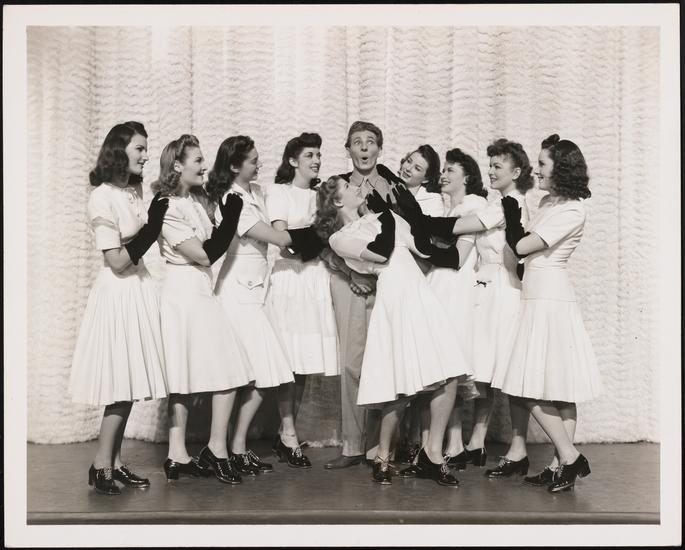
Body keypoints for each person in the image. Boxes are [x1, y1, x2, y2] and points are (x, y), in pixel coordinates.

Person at [316, 176, 472, 486]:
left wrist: (408, 214)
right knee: (402, 384)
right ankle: (383, 455)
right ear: (337, 201)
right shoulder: (340, 237)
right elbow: (380, 252)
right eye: (348, 187)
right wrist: (387, 215)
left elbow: (424, 250)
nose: (357, 187)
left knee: (449, 372)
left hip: (421, 295)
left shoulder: (385, 217)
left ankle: (432, 453)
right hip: (394, 300)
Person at [393, 138, 535, 476]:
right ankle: (468, 444)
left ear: (516, 172)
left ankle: (500, 446)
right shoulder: (496, 203)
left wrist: (415, 217)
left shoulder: (505, 205)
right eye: (491, 165)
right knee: (481, 366)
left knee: (503, 368)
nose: (491, 171)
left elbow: (457, 230)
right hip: (484, 286)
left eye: (497, 166)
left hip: (503, 288)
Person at [492, 134, 603, 492]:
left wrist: (512, 216)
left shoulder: (573, 209)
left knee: (542, 385)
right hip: (535, 296)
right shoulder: (548, 202)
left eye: (542, 164)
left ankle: (568, 458)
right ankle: (561, 465)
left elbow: (523, 246)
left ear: (561, 168)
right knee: (542, 384)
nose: (536, 170)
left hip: (550, 301)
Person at [208, 135, 323, 472]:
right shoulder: (232, 199)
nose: (259, 164)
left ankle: (236, 447)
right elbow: (280, 238)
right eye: (252, 160)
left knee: (263, 373)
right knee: (258, 371)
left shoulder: (257, 192)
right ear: (234, 166)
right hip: (236, 292)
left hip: (257, 291)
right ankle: (224, 448)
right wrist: (327, 229)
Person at [69, 121, 168, 495]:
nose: (146, 155)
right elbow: (117, 261)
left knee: (128, 384)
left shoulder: (132, 191)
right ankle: (100, 465)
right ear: (119, 151)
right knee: (119, 385)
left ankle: (115, 462)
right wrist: (152, 228)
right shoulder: (101, 196)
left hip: (137, 290)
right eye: (139, 149)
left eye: (146, 149)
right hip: (118, 292)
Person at [154, 134, 254, 485]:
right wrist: (232, 219)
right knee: (202, 371)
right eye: (197, 160)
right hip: (183, 292)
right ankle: (202, 451)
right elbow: (204, 254)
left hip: (198, 289)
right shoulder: (167, 206)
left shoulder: (194, 202)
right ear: (177, 165)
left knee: (213, 370)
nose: (204, 166)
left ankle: (185, 454)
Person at [322, 121, 395, 470]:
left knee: (385, 360)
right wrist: (351, 273)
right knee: (352, 363)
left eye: (370, 142)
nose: (364, 148)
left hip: (386, 281)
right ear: (348, 149)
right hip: (346, 281)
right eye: (357, 142)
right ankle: (352, 445)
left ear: (379, 147)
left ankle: (382, 446)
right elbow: (321, 237)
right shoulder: (336, 188)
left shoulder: (393, 186)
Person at [265, 132, 339, 458]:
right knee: (287, 359)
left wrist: (314, 239)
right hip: (290, 281)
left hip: (314, 278)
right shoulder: (279, 192)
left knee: (306, 357)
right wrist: (318, 237)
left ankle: (287, 431)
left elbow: (329, 237)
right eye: (310, 155)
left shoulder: (323, 196)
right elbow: (284, 242)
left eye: (319, 154)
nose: (317, 160)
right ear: (293, 160)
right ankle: (287, 431)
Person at [425, 148, 489, 468]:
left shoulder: (473, 206)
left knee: (452, 365)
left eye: (451, 170)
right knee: (444, 367)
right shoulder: (449, 208)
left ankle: (458, 443)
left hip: (456, 287)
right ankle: (454, 443)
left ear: (467, 177)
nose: (443, 175)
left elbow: (460, 257)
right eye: (444, 169)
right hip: (441, 284)